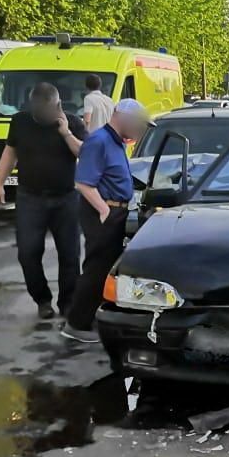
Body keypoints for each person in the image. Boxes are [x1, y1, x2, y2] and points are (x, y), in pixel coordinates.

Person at [0, 83, 87, 319]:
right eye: (36, 112)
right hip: (30, 197)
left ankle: (68, 303)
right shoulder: (20, 121)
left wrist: (65, 132)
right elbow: (10, 152)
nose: (40, 116)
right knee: (27, 252)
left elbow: (85, 153)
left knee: (69, 254)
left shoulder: (73, 123)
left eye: (45, 112)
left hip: (66, 198)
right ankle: (42, 299)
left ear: (58, 106)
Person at [62, 99, 153, 343]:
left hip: (115, 211)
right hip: (103, 214)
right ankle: (76, 324)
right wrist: (104, 211)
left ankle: (91, 316)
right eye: (138, 124)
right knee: (96, 269)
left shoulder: (115, 142)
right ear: (122, 118)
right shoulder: (100, 141)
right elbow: (83, 182)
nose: (139, 130)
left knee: (105, 268)